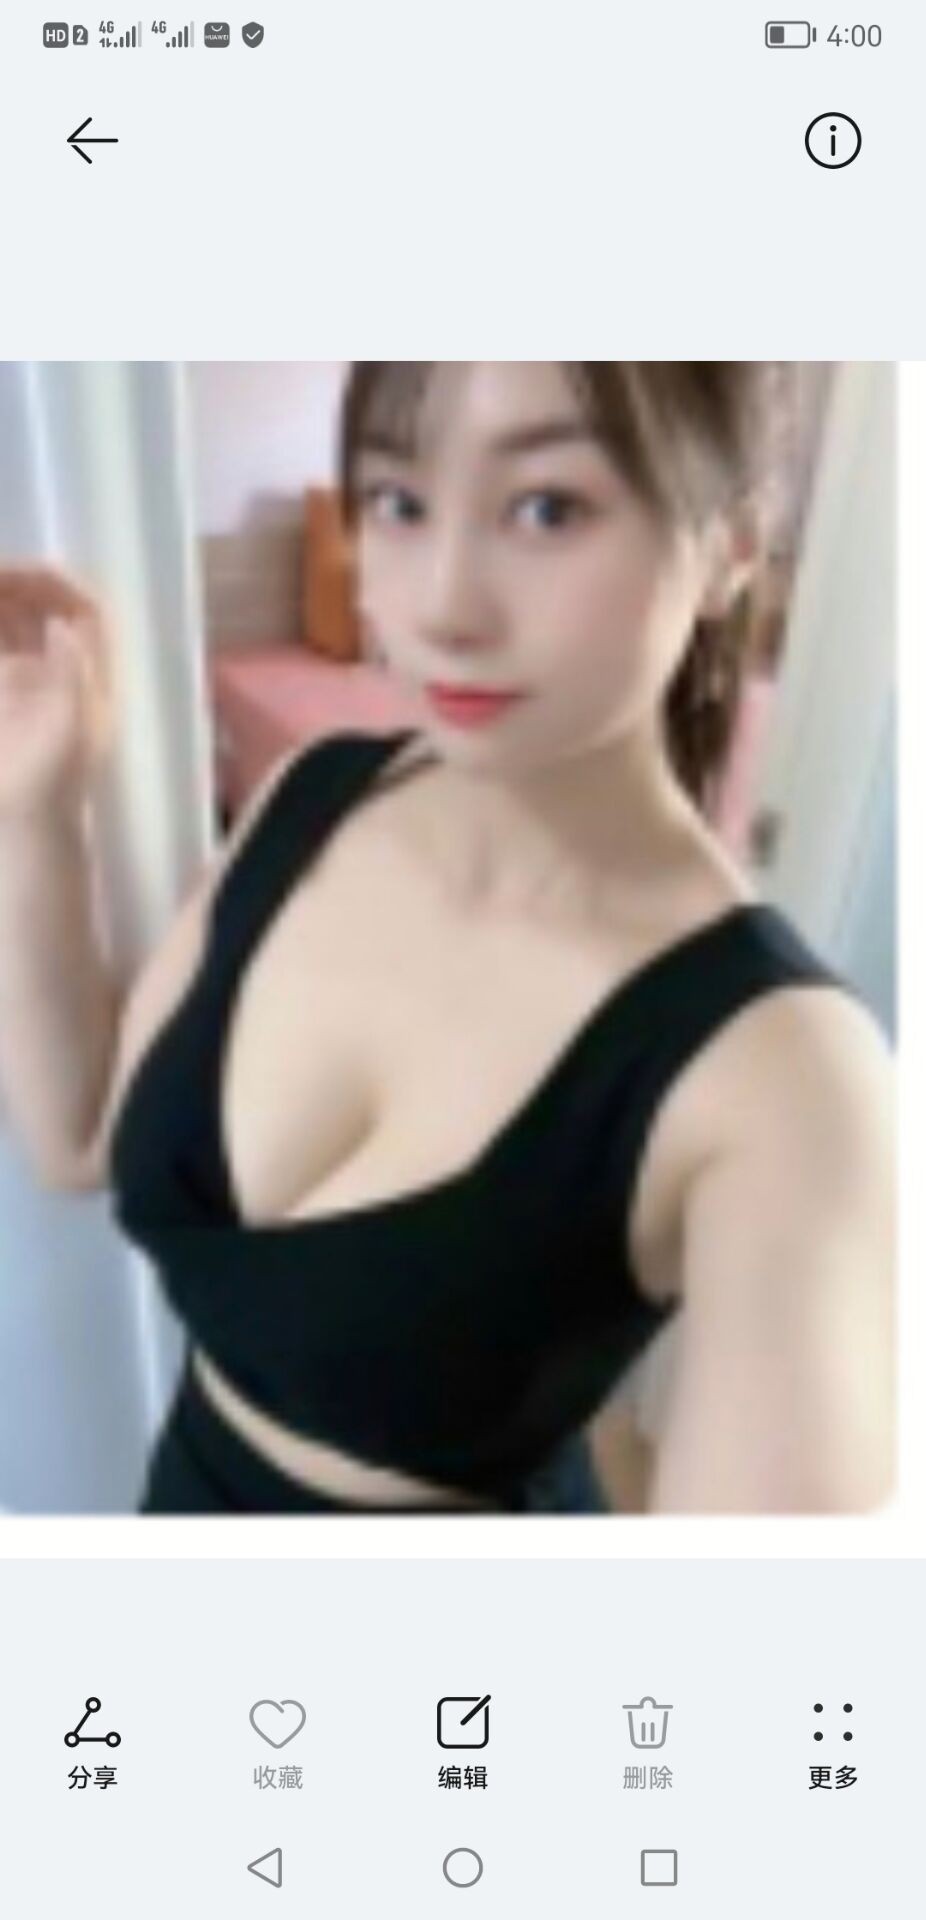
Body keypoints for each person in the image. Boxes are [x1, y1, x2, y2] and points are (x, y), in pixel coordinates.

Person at [0, 362, 894, 1514]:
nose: (439, 609)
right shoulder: (312, 795)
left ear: (728, 545)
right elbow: (77, 1139)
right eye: (399, 502)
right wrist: (34, 809)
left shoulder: (786, 1078)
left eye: (547, 508)